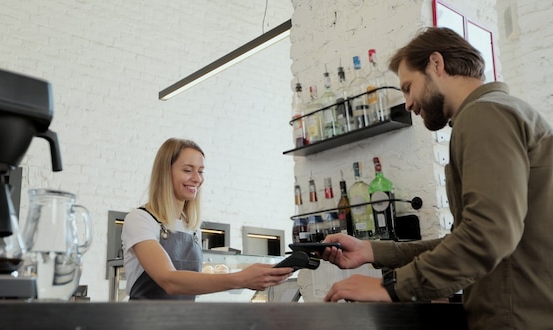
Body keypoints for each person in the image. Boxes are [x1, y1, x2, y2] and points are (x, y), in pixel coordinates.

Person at [320, 27, 553, 329]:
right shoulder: (506, 112)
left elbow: (488, 234)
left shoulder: (484, 116)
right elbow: (468, 236)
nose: (407, 103)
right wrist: (372, 251)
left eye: (407, 86)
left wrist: (390, 288)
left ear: (436, 64)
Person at [121, 138, 292, 300]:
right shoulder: (140, 219)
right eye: (188, 170)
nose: (197, 178)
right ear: (165, 172)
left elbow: (193, 284)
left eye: (200, 171)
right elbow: (169, 281)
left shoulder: (192, 228)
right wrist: (241, 279)